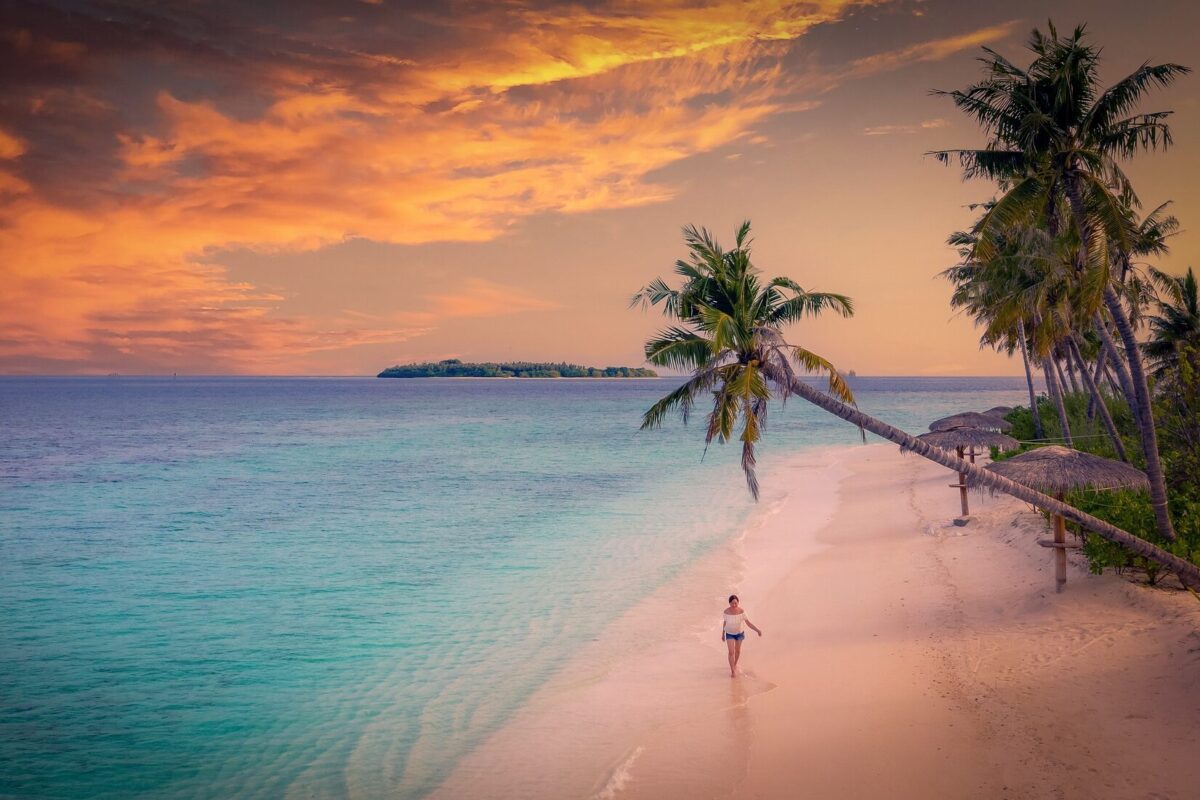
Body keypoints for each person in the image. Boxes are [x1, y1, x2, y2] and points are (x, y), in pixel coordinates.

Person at [721, 594, 762, 677]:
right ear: (729, 603)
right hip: (729, 634)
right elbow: (724, 623)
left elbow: (748, 623)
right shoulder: (726, 612)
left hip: (739, 634)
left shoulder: (742, 612)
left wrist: (757, 630)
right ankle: (733, 671)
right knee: (731, 652)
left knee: (738, 651)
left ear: (738, 602)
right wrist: (723, 634)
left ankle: (735, 664)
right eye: (732, 603)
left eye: (736, 603)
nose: (734, 605)